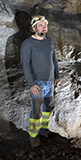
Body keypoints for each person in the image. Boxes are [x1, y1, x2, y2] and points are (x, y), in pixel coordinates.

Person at [20, 15, 61, 147]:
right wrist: (31, 84)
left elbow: (53, 58)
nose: (44, 28)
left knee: (49, 107)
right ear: (34, 28)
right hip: (38, 82)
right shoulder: (27, 44)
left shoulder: (49, 41)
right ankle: (33, 137)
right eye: (40, 25)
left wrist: (57, 75)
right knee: (37, 110)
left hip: (50, 82)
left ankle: (44, 130)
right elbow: (25, 64)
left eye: (45, 25)